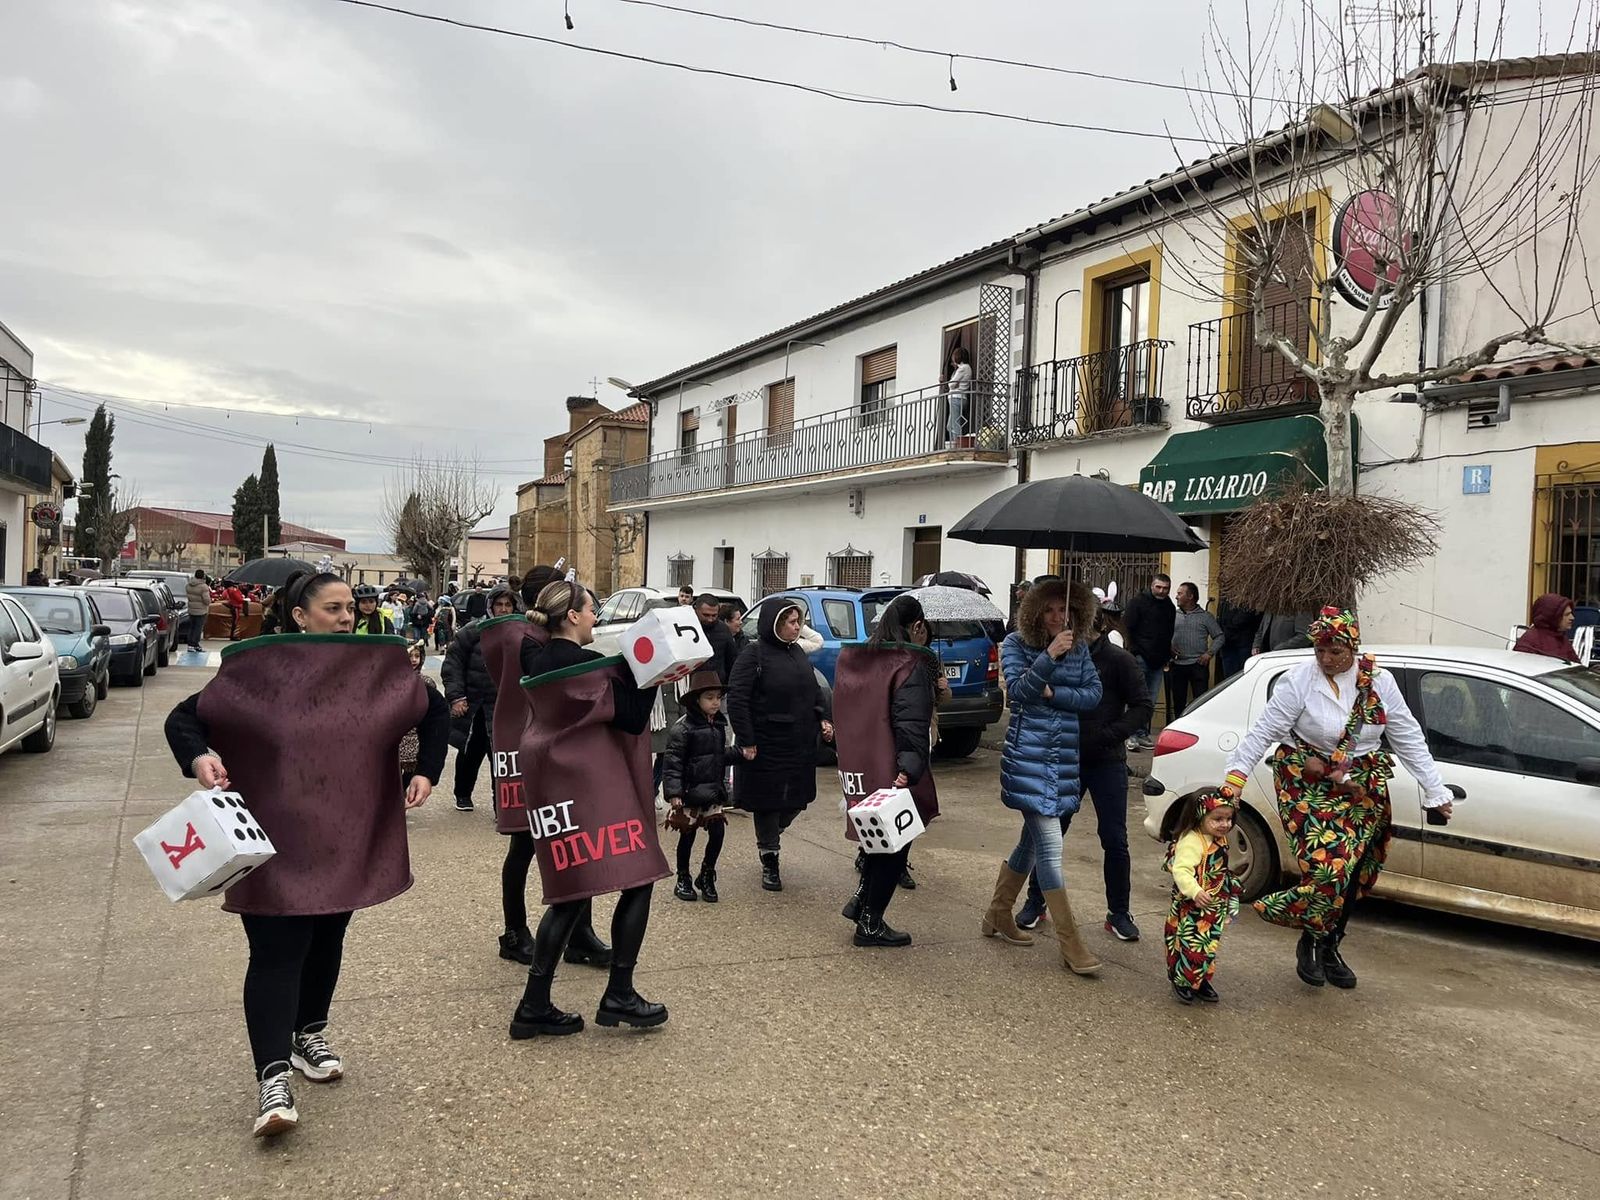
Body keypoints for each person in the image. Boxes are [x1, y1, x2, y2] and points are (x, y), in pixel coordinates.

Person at [163, 571, 448, 1137]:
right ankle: (272, 1079)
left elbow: (432, 709)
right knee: (277, 949)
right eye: (332, 608)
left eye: (350, 608)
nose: (346, 618)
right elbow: (185, 718)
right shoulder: (261, 667)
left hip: (347, 833)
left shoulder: (373, 668)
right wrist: (199, 758)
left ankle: (308, 1032)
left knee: (327, 936)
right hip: (273, 838)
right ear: (299, 615)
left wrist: (428, 771)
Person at [1221, 606, 1456, 989]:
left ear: (1353, 648)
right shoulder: (1299, 680)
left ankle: (1330, 945)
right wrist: (1235, 780)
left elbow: (1408, 737)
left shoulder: (1379, 683)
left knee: (1353, 871)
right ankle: (1310, 939)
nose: (1326, 659)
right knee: (1328, 869)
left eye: (1336, 652)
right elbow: (1263, 732)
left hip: (1360, 785)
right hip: (1308, 782)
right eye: (1320, 651)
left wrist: (1435, 790)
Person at [509, 579, 667, 1037]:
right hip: (589, 785)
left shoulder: (537, 658)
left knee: (571, 892)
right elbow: (632, 718)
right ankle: (620, 992)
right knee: (639, 877)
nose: (596, 615)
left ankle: (534, 1003)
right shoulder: (584, 665)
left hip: (551, 783)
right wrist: (654, 674)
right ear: (573, 616)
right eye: (591, 608)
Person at [488, 568, 612, 969]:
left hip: (550, 747)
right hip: (528, 747)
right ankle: (514, 931)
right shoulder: (526, 641)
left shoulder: (541, 638)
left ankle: (580, 934)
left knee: (574, 839)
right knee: (524, 845)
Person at [983, 580, 1104, 976]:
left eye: (1063, 609)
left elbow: (1093, 695)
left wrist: (1054, 695)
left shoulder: (1079, 648)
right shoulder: (1016, 645)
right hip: (1029, 758)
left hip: (1063, 759)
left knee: (1030, 844)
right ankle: (1072, 944)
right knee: (1050, 846)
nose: (1057, 616)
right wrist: (1049, 657)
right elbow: (1018, 692)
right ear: (1035, 612)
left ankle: (998, 913)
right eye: (1049, 610)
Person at [1016, 603, 1151, 940]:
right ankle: (1036, 901)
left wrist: (1109, 735)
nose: (1069, 627)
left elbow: (1142, 706)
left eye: (1079, 623)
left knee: (1115, 839)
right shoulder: (1055, 655)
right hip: (1062, 758)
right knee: (1048, 835)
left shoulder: (1119, 660)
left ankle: (1119, 912)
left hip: (1107, 760)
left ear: (1096, 626)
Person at [834, 594, 939, 948]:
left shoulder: (856, 657)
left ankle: (861, 899)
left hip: (860, 763)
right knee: (895, 844)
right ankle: (870, 922)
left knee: (874, 841)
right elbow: (911, 722)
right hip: (894, 766)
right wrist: (910, 769)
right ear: (917, 626)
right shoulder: (909, 663)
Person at [726, 597, 834, 891]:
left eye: (799, 622)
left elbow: (814, 691)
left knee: (797, 800)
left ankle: (774, 834)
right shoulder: (753, 655)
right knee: (768, 803)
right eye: (792, 622)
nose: (797, 627)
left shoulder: (797, 652)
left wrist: (824, 718)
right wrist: (747, 740)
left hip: (800, 742)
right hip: (766, 743)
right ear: (774, 624)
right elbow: (737, 700)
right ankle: (770, 859)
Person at [662, 669, 741, 904]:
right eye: (709, 697)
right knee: (687, 836)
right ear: (697, 700)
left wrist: (740, 754)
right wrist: (674, 792)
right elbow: (673, 762)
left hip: (712, 792)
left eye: (718, 697)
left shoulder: (718, 725)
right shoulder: (682, 729)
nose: (715, 702)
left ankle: (707, 873)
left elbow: (718, 756)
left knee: (718, 832)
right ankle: (683, 877)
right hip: (689, 793)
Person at [1161, 788, 1241, 1004]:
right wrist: (1194, 891)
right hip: (1192, 905)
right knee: (1190, 943)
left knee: (1208, 944)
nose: (1225, 824)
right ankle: (1182, 980)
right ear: (1199, 816)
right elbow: (1181, 870)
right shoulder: (1192, 841)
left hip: (1212, 904)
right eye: (1218, 819)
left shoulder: (1216, 837)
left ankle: (1200, 978)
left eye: (1228, 819)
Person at [442, 584, 516, 813]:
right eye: (499, 604)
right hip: (476, 705)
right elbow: (453, 664)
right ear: (490, 606)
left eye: (508, 605)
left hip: (504, 706)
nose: (503, 609)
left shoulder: (521, 633)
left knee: (501, 758)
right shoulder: (472, 632)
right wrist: (456, 697)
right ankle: (463, 794)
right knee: (470, 752)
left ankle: (500, 805)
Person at [1122, 573, 1175, 750]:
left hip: (1158, 661)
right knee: (1135, 698)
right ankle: (1130, 734)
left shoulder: (1169, 606)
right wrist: (1133, 652)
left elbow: (1168, 633)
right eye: (1158, 587)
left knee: (1149, 701)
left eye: (1165, 588)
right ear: (1151, 586)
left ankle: (1142, 733)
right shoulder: (1137, 602)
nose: (1161, 591)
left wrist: (1166, 656)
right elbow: (1127, 628)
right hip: (1140, 658)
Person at [1169, 583, 1224, 720]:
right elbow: (1163, 634)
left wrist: (1209, 653)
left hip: (1198, 665)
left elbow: (1220, 636)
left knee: (1200, 702)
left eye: (1180, 593)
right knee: (1178, 702)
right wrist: (1168, 647)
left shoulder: (1205, 617)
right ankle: (1178, 727)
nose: (1176, 597)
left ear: (1190, 596)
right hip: (1177, 665)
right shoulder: (1172, 615)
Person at [1513, 593, 1581, 663]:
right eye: (1567, 615)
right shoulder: (1529, 643)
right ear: (1552, 616)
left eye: (1571, 613)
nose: (1572, 618)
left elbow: (1576, 666)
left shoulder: (1561, 637)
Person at [696, 592, 738, 682]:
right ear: (696, 611)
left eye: (714, 615)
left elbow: (732, 660)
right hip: (691, 684)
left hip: (717, 684)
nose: (710, 619)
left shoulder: (723, 629)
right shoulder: (685, 628)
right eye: (706, 615)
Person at [1216, 598, 1260, 680]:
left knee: (1243, 675)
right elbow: (1220, 616)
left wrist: (1229, 626)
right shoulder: (1225, 598)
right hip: (1227, 642)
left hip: (1242, 642)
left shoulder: (1247, 596)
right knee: (1229, 677)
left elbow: (1246, 616)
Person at [945, 345, 973, 444]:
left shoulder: (963, 368)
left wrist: (952, 384)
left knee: (955, 424)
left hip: (957, 398)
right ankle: (954, 444)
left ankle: (958, 445)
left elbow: (951, 384)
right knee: (950, 426)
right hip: (958, 398)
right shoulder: (964, 368)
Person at [186, 569, 210, 652]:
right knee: (198, 628)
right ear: (203, 576)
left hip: (191, 609)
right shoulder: (203, 586)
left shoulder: (189, 585)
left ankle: (191, 644)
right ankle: (194, 644)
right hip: (201, 610)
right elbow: (206, 600)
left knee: (192, 627)